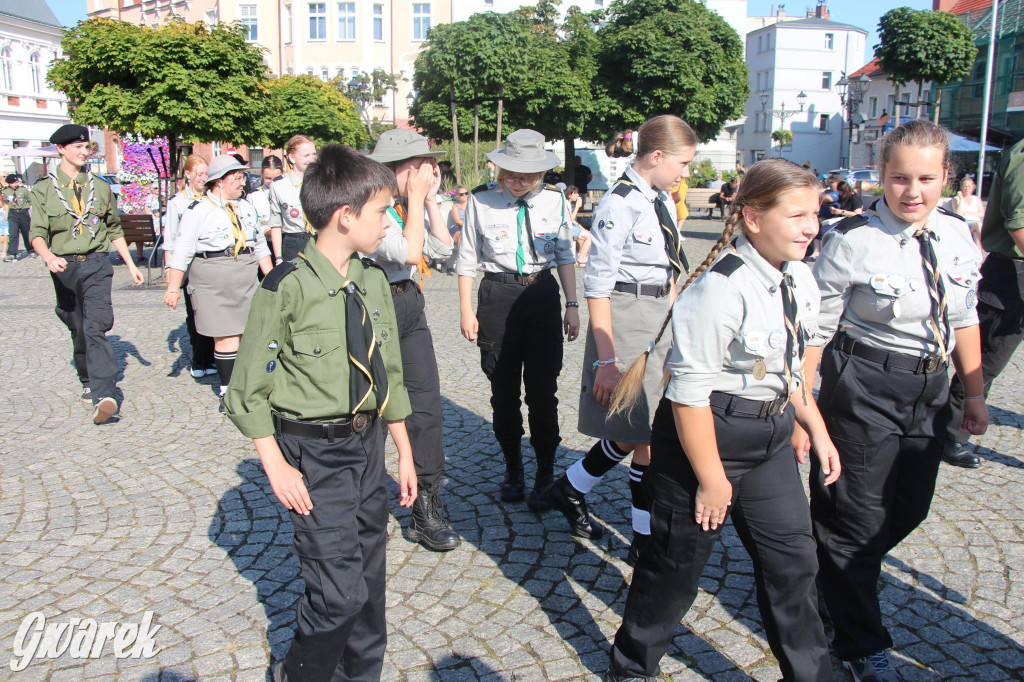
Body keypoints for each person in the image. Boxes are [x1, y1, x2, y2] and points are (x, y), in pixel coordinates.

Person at [605, 158, 840, 682]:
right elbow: (687, 397)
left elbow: (791, 370)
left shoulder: (800, 279)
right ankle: (631, 666)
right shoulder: (720, 287)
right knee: (674, 569)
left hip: (769, 443)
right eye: (797, 215)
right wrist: (711, 480)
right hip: (702, 443)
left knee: (793, 565)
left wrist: (816, 430)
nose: (811, 226)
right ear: (753, 218)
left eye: (815, 213)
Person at [224, 143, 416, 682]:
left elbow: (389, 376)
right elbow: (247, 390)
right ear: (345, 215)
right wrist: (275, 463)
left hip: (366, 446)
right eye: (383, 211)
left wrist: (402, 452)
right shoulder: (284, 289)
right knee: (338, 593)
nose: (388, 222)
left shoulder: (374, 281)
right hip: (312, 454)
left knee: (369, 585)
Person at [804, 120, 988, 681]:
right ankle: (861, 644)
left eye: (927, 178)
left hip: (931, 391)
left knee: (908, 507)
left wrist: (974, 394)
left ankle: (828, 577)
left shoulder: (956, 236)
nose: (913, 191)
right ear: (881, 176)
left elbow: (964, 315)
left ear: (946, 178)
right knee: (858, 520)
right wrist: (802, 411)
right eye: (900, 177)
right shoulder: (851, 240)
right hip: (863, 384)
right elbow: (814, 331)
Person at [546, 115, 693, 563]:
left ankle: (627, 525)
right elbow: (599, 284)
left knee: (646, 430)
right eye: (683, 163)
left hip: (658, 315)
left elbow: (668, 265)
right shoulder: (620, 203)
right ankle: (585, 493)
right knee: (639, 428)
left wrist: (674, 318)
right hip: (627, 316)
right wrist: (605, 361)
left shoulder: (660, 200)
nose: (686, 173)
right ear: (656, 156)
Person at [456, 129, 580, 510]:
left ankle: (545, 472)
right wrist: (465, 309)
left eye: (527, 174)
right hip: (497, 296)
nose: (518, 180)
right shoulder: (481, 201)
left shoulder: (556, 201)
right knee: (503, 393)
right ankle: (513, 468)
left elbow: (564, 255)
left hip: (541, 295)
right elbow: (466, 258)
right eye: (510, 172)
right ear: (499, 167)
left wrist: (572, 304)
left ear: (541, 173)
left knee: (544, 393)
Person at [365, 128, 459, 552]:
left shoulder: (410, 203)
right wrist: (418, 199)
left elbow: (441, 252)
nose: (425, 172)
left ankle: (426, 504)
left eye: (427, 165)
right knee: (371, 407)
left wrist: (430, 200)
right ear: (391, 170)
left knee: (425, 405)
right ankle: (365, 503)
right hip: (372, 307)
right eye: (415, 167)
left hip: (408, 305)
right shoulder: (371, 205)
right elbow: (405, 252)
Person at [29, 124, 145, 423]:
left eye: (86, 147)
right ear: (61, 149)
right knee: (78, 325)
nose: (84, 152)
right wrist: (48, 255)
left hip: (96, 263)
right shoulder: (43, 189)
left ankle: (104, 394)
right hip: (64, 266)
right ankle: (86, 376)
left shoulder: (101, 187)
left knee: (96, 326)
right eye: (78, 147)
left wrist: (131, 265)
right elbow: (37, 233)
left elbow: (114, 229)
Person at [162, 155, 274, 411]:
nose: (242, 183)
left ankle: (247, 387)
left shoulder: (245, 207)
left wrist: (272, 278)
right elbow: (183, 250)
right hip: (212, 278)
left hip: (245, 276)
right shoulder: (198, 210)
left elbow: (258, 246)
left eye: (242, 177)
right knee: (225, 338)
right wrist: (172, 287)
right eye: (237, 178)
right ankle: (228, 392)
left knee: (249, 336)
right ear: (220, 181)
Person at [943, 141, 1024, 470]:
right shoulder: (1021, 155)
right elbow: (1018, 225)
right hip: (1012, 274)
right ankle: (951, 436)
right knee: (983, 363)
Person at [162, 154, 215, 378]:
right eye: (199, 174)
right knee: (194, 313)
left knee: (211, 312)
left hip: (208, 263)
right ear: (188, 175)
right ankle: (198, 358)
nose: (203, 178)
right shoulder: (178, 202)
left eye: (206, 174)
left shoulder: (211, 199)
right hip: (188, 264)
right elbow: (170, 238)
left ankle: (212, 357)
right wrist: (169, 271)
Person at [269, 135, 317, 264]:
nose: (312, 159)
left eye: (314, 154)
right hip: (294, 243)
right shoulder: (279, 185)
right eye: (306, 155)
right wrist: (278, 258)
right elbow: (276, 224)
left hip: (320, 241)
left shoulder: (323, 182)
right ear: (291, 157)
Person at [247, 155, 285, 232]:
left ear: (283, 173)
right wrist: (265, 231)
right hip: (264, 240)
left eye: (276, 178)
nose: (272, 182)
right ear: (262, 174)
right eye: (268, 178)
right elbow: (250, 223)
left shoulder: (290, 192)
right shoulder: (254, 196)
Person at [948, 175, 984, 253]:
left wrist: (968, 213)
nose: (967, 189)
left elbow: (982, 213)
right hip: (963, 224)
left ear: (973, 187)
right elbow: (958, 214)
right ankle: (985, 242)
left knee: (976, 234)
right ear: (961, 187)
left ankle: (979, 256)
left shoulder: (976, 199)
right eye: (965, 186)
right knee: (978, 225)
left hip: (975, 224)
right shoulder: (956, 199)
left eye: (969, 186)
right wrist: (960, 199)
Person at [3, 173, 33, 261]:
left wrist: (31, 213)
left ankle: (30, 250)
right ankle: (12, 253)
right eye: (13, 183)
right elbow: (6, 203)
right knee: (13, 234)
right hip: (13, 214)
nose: (15, 184)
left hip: (23, 213)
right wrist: (6, 214)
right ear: (9, 183)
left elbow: (30, 202)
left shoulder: (24, 190)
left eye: (16, 182)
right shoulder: (6, 191)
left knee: (26, 233)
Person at [566, 184, 591, 267]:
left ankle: (579, 257)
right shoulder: (566, 203)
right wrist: (577, 206)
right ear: (570, 194)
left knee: (582, 237)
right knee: (589, 237)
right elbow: (571, 220)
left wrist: (582, 228)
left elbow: (573, 221)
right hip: (566, 228)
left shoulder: (568, 203)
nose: (578, 195)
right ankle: (581, 259)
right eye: (575, 193)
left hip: (570, 226)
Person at [449, 184, 469, 250]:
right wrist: (469, 226)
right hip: (458, 228)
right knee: (461, 236)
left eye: (466, 193)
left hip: (470, 227)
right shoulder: (455, 206)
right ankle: (462, 257)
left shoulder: (472, 205)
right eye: (461, 194)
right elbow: (457, 220)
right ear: (457, 195)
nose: (464, 195)